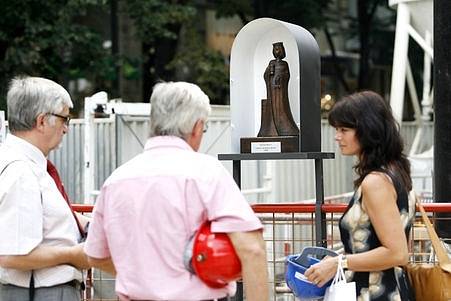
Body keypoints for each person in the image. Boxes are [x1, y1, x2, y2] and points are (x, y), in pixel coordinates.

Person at [84, 81, 269, 301]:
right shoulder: (206, 172)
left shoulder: (116, 180)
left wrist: (145, 278)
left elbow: (95, 255)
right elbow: (252, 249)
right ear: (197, 127)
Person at [305, 91, 415, 300]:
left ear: (368, 130)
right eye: (337, 129)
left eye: (344, 129)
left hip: (375, 292)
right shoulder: (395, 171)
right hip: (391, 289)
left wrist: (339, 262)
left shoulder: (376, 182)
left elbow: (397, 252)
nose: (337, 136)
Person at [0, 76, 90, 301]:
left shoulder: (26, 164)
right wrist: (73, 254)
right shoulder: (21, 171)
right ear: (41, 121)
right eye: (64, 119)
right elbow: (11, 254)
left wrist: (78, 221)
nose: (66, 128)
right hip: (40, 293)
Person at [263, 42, 298, 136]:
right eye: (275, 49)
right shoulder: (271, 63)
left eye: (279, 49)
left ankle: (285, 128)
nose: (277, 51)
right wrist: (269, 74)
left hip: (281, 91)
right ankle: (272, 129)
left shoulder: (285, 64)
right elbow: (265, 75)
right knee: (272, 107)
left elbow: (287, 75)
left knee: (282, 107)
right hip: (272, 91)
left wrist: (281, 77)